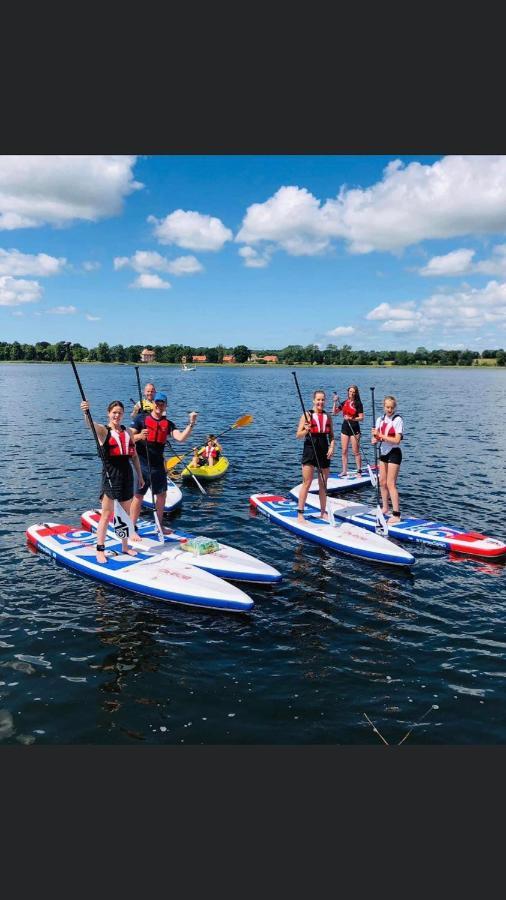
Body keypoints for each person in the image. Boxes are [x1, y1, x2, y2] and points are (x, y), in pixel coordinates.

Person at [80, 399, 144, 565]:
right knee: (107, 515)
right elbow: (90, 425)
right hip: (111, 475)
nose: (117, 415)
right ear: (109, 414)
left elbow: (134, 456)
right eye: (114, 412)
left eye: (120, 413)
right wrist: (86, 412)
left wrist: (140, 475)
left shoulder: (128, 432)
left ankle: (124, 546)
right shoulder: (103, 430)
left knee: (124, 514)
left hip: (127, 475)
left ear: (123, 415)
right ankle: (100, 549)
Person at [130, 392, 197, 531]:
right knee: (138, 496)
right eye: (157, 403)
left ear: (166, 405)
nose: (159, 406)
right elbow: (127, 437)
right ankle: (131, 528)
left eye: (162, 403)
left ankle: (159, 526)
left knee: (161, 496)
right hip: (142, 464)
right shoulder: (141, 419)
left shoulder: (168, 424)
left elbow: (181, 438)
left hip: (158, 466)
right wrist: (139, 436)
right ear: (153, 404)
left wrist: (191, 423)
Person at [296, 389, 335, 523]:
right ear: (314, 400)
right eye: (318, 400)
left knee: (323, 484)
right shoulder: (306, 415)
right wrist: (306, 430)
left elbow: (332, 436)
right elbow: (298, 435)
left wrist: (332, 446)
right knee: (306, 483)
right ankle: (300, 513)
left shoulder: (327, 416)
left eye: (323, 400)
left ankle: (323, 512)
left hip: (324, 447)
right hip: (310, 448)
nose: (320, 402)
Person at [371, 395, 403, 525]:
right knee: (382, 482)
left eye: (391, 407)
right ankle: (385, 508)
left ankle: (396, 514)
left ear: (394, 407)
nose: (389, 409)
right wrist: (374, 439)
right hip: (383, 453)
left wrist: (380, 436)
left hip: (394, 453)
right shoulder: (380, 419)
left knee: (391, 484)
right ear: (384, 407)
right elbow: (376, 437)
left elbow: (397, 440)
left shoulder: (397, 420)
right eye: (387, 407)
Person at [332, 384, 364, 476]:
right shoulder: (344, 402)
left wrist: (351, 418)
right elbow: (334, 413)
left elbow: (361, 418)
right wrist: (334, 402)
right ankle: (344, 471)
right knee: (344, 450)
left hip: (354, 428)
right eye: (350, 391)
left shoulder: (358, 403)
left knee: (356, 451)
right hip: (345, 428)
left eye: (354, 392)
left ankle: (359, 471)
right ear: (348, 392)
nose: (352, 393)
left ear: (356, 393)